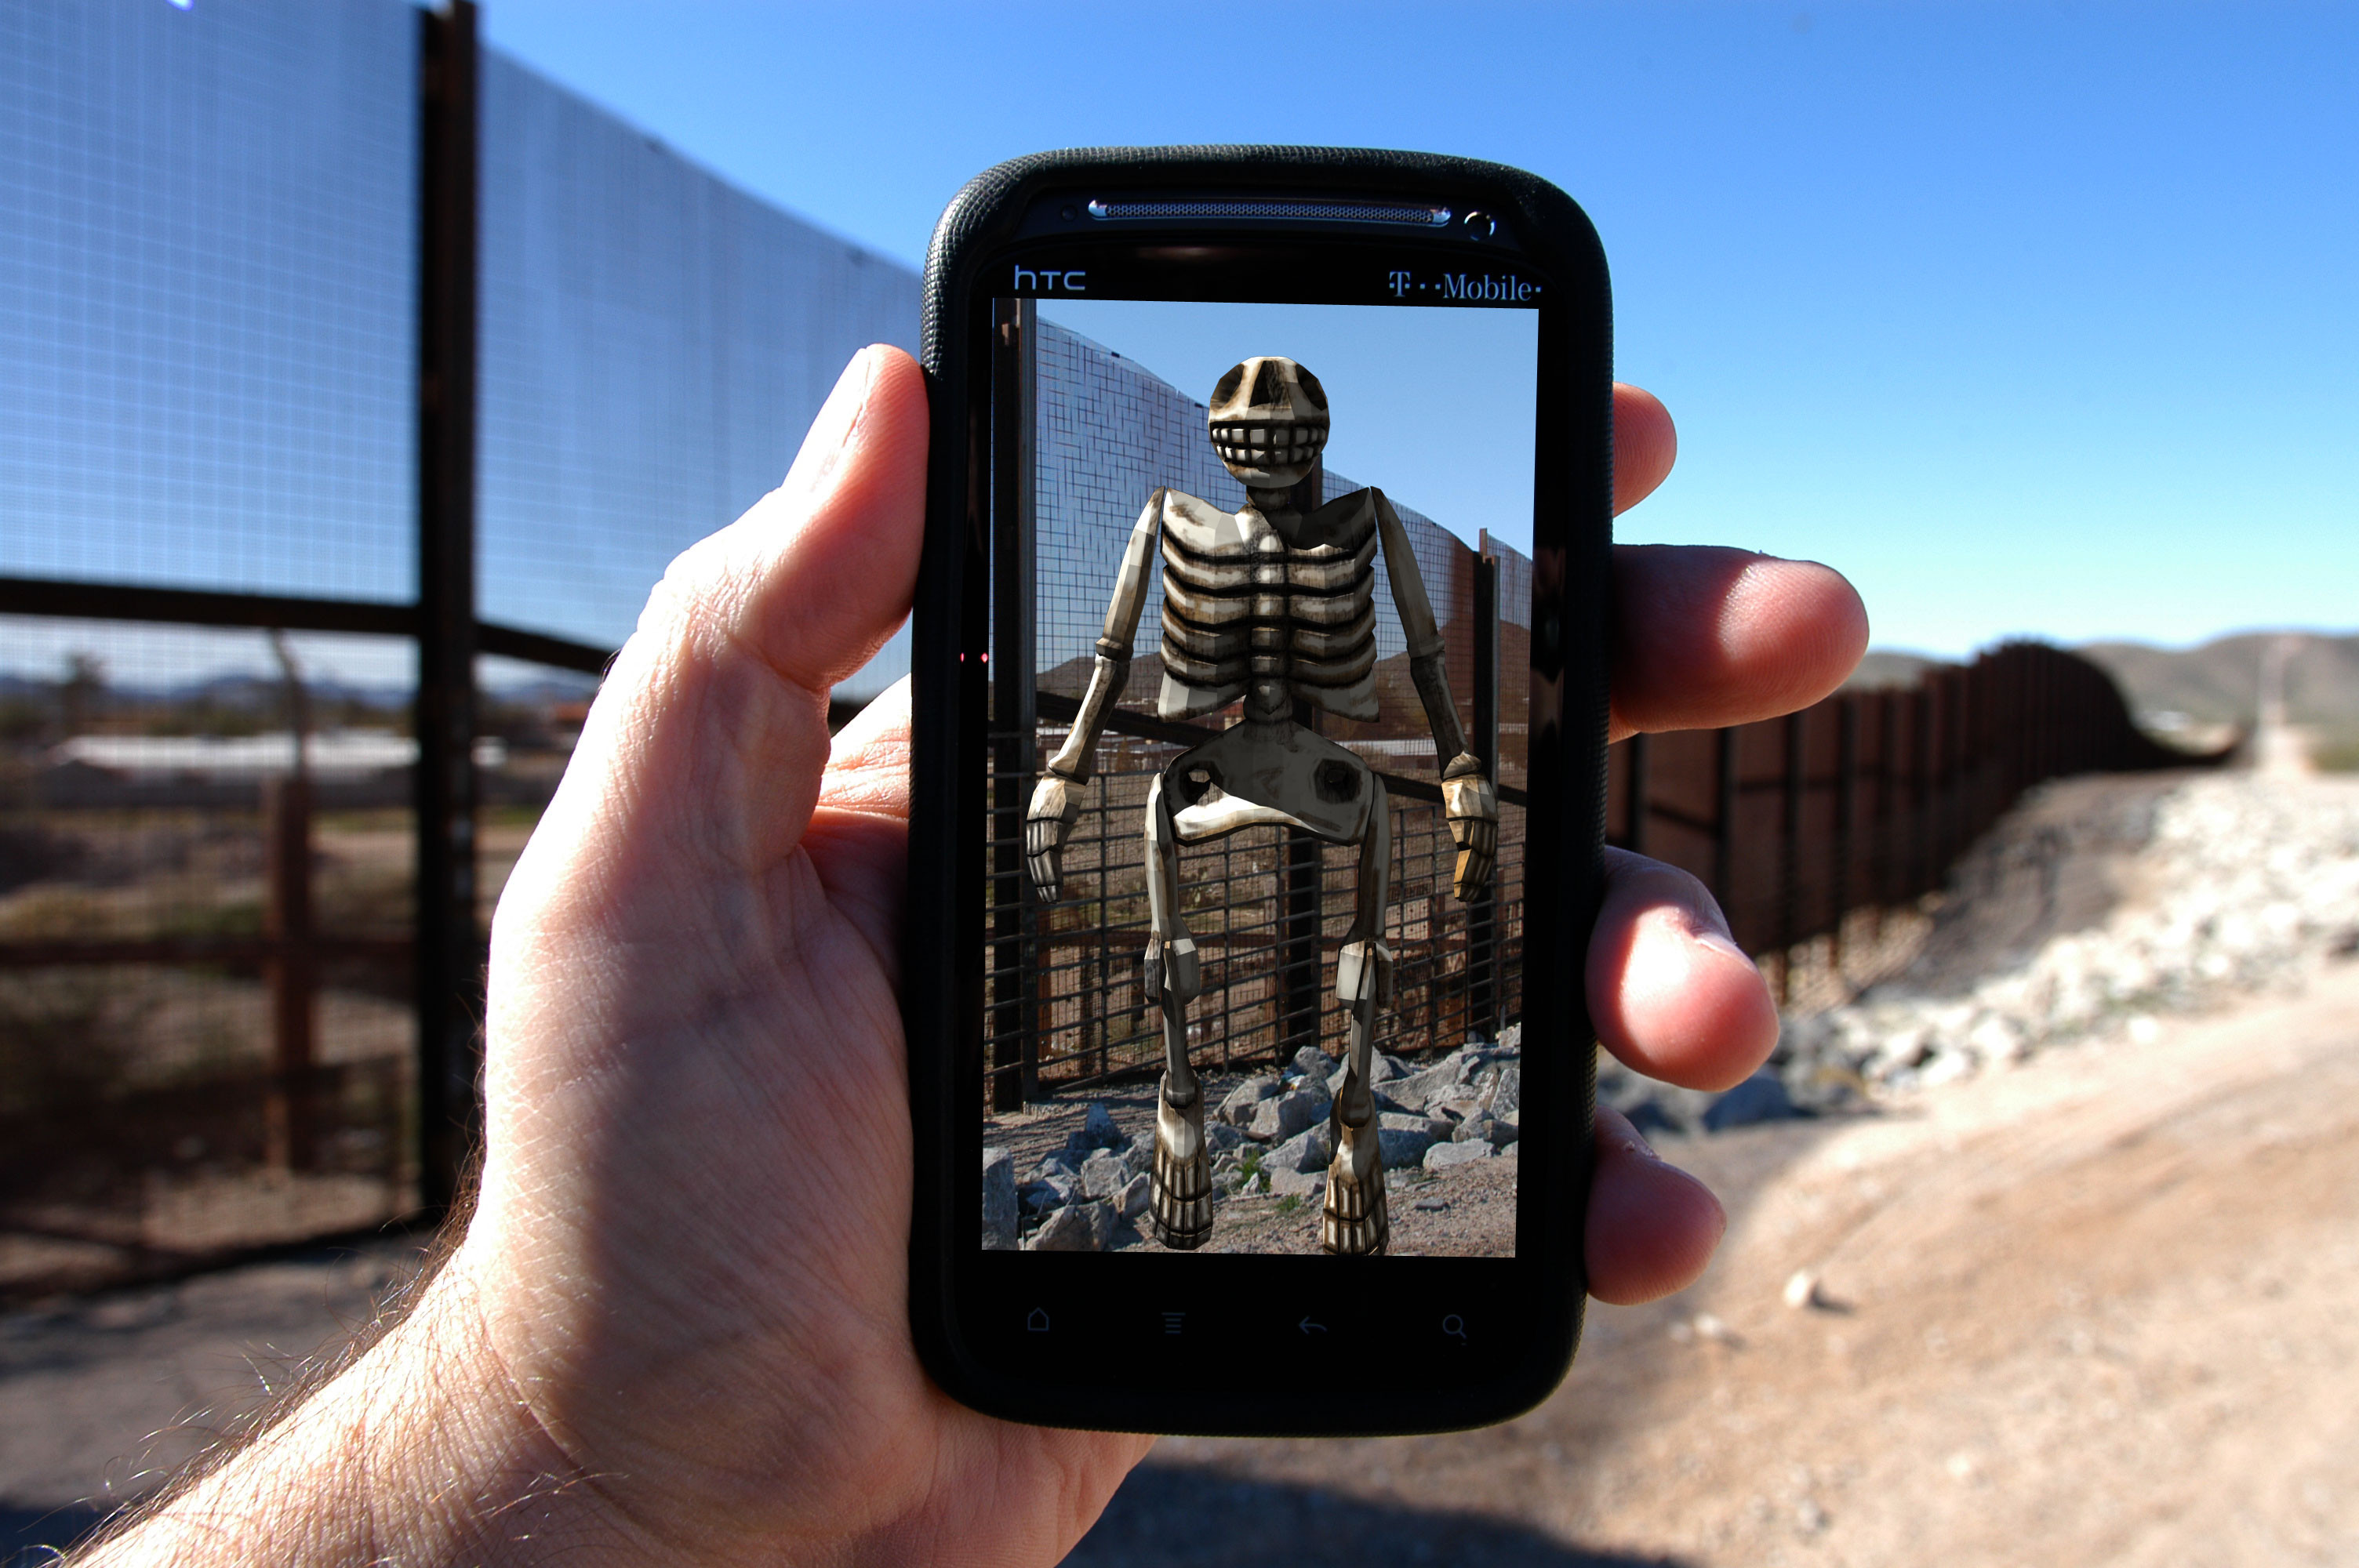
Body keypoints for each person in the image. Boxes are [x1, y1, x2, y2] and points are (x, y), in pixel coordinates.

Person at [80, 347, 1866, 1567]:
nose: (1255, 452)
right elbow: (1108, 666)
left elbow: (1411, 680)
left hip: (1325, 750)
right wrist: (1062, 772)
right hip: (1192, 745)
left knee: (1367, 853)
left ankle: (1335, 1110)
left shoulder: (1362, 537)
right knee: (1170, 833)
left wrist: (1471, 793)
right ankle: (1180, 1084)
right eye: (1237, 434)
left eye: (1277, 430)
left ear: (1309, 442)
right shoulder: (1173, 533)